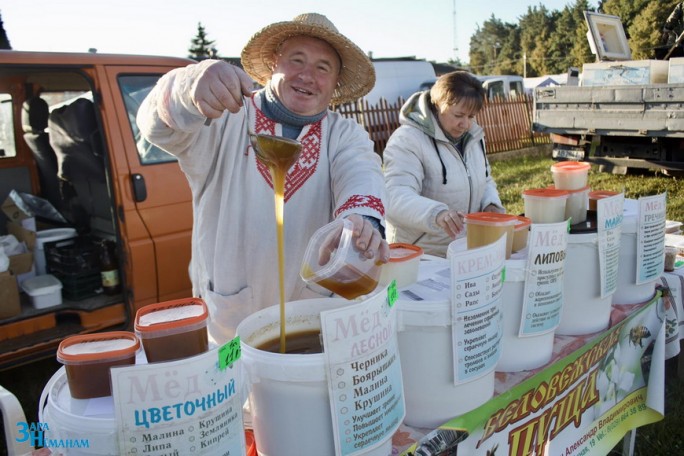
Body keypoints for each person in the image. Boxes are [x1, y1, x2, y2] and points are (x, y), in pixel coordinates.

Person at [137, 13, 389, 344]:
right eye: (296, 60)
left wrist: (361, 218)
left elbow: (361, 172)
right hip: (233, 316)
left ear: (336, 81)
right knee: (239, 391)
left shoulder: (344, 134)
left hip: (312, 314)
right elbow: (155, 125)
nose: (307, 76)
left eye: (323, 68)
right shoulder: (225, 117)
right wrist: (189, 84)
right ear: (274, 62)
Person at [382, 70, 504, 257]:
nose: (465, 124)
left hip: (465, 250)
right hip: (420, 256)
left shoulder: (474, 137)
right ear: (438, 105)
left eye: (471, 116)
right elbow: (394, 196)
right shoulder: (407, 139)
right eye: (458, 115)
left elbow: (485, 179)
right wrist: (437, 214)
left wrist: (491, 203)